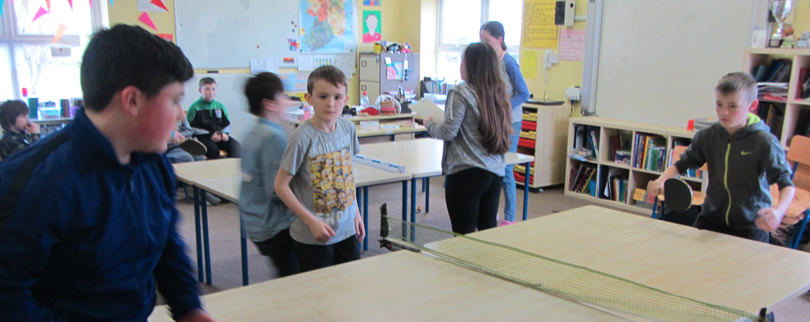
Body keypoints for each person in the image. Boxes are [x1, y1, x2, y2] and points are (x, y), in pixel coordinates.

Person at [0, 25, 213, 321]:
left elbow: (166, 244)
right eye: (175, 100)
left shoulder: (154, 164)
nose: (180, 114)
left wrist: (188, 307)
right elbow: (7, 299)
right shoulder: (34, 184)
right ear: (132, 101)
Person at [647, 72, 795, 243]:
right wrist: (661, 180)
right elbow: (681, 165)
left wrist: (778, 211)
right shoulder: (708, 136)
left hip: (749, 227)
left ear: (752, 105)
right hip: (711, 220)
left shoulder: (764, 142)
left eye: (733, 106)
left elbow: (787, 185)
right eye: (719, 104)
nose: (724, 112)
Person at [274, 65, 365, 273]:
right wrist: (311, 221)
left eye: (337, 97)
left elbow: (347, 176)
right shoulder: (302, 138)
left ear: (346, 98)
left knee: (349, 285)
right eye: (323, 96)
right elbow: (281, 186)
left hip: (347, 229)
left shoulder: (347, 128)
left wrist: (356, 214)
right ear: (309, 98)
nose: (330, 104)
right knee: (319, 296)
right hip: (314, 236)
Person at [425, 42, 511, 234]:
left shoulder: (460, 93)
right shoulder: (498, 93)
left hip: (466, 172)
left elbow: (448, 131)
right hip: (494, 172)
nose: (460, 65)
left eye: (462, 60)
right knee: (488, 231)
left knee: (463, 234)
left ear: (472, 65)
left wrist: (429, 125)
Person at [239, 72, 299, 277]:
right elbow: (277, 190)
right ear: (270, 104)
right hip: (274, 226)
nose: (287, 102)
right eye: (283, 96)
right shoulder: (274, 138)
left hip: (255, 220)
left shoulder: (253, 133)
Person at [480, 21, 530, 226]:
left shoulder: (509, 63)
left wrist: (505, 108)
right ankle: (491, 212)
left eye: (487, 41)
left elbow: (524, 93)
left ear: (499, 40)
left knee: (507, 169)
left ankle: (510, 217)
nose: (483, 44)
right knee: (492, 166)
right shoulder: (488, 62)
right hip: (494, 121)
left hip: (511, 122)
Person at [187, 77, 241, 159]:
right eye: (207, 89)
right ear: (200, 90)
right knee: (213, 150)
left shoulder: (220, 106)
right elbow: (191, 128)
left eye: (213, 89)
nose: (211, 92)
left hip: (219, 135)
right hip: (202, 137)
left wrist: (224, 134)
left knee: (236, 147)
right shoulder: (194, 107)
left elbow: (227, 124)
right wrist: (210, 135)